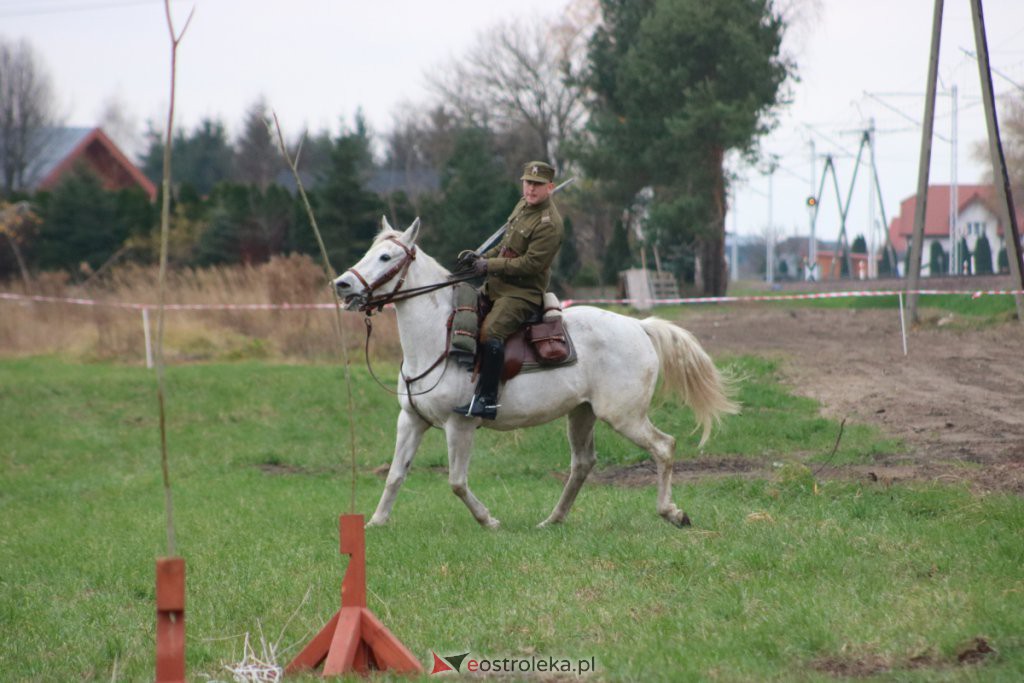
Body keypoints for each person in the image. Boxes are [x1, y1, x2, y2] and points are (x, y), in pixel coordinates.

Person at [453, 160, 564, 419]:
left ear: (550, 187)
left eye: (537, 185)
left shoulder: (550, 224)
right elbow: (506, 247)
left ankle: (487, 400)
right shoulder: (523, 205)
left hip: (521, 293)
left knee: (491, 331)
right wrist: (478, 258)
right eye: (527, 182)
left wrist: (488, 265)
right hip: (497, 285)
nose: (531, 189)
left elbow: (531, 264)